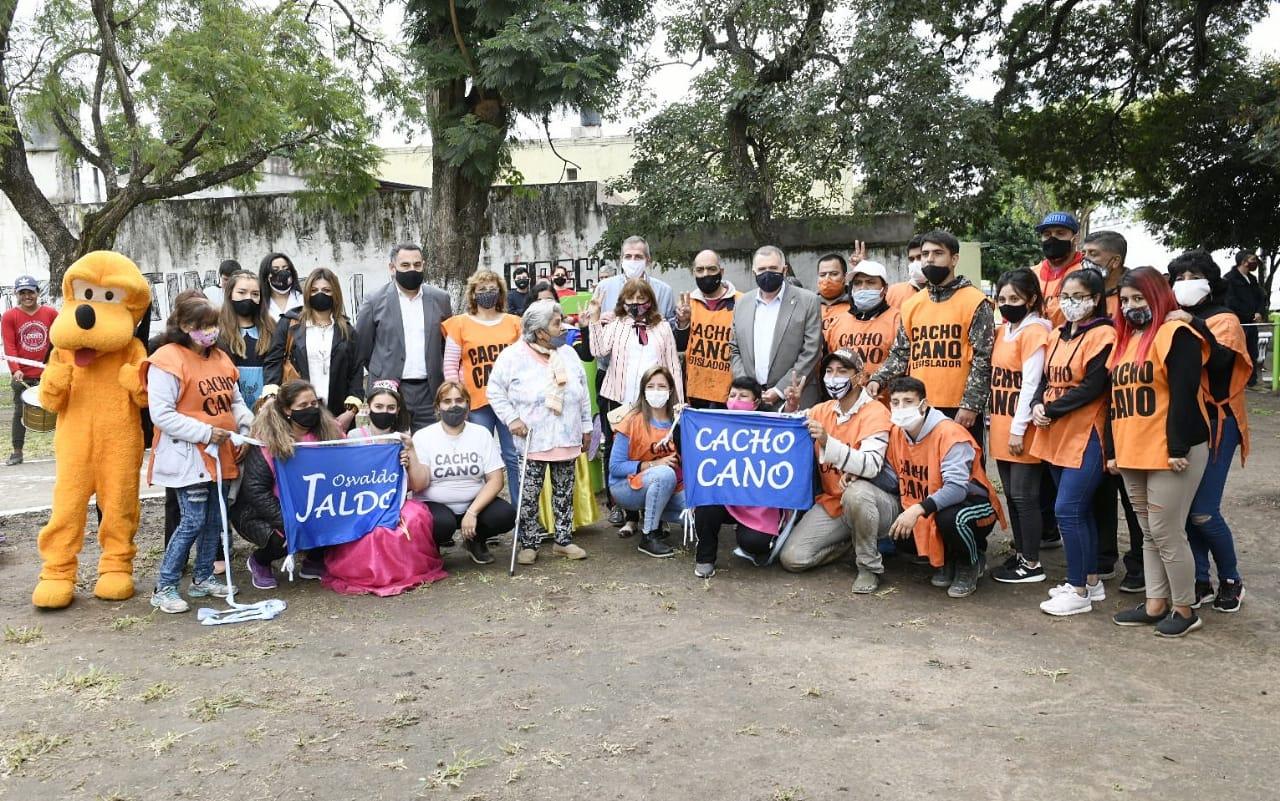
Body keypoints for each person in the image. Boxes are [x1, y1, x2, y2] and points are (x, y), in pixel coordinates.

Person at [1108, 267, 1210, 637]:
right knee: (1148, 532)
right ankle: (1155, 603)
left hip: (1171, 451)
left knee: (1167, 531)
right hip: (1133, 449)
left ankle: (1185, 609)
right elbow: (1114, 401)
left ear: (1158, 296)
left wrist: (1177, 445)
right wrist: (1112, 450)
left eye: (1139, 298)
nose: (1132, 306)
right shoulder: (1125, 341)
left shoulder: (1175, 334)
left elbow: (1184, 394)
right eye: (1126, 300)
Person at [142, 296, 252, 613]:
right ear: (187, 327)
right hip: (188, 456)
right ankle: (164, 587)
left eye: (214, 325)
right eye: (204, 326)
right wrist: (205, 433)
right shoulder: (167, 359)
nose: (211, 332)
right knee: (191, 520)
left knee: (214, 520)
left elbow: (235, 402)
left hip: (223, 453)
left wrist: (245, 429)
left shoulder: (220, 358)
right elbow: (161, 414)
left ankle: (203, 578)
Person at [1026, 270, 1114, 614]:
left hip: (1085, 430)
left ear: (1095, 298)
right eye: (1065, 295)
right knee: (1080, 511)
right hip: (1054, 431)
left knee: (1068, 509)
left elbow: (1094, 386)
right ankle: (1090, 582)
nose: (1070, 303)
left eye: (1078, 296)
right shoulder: (1059, 334)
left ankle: (1077, 592)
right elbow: (1044, 378)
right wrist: (1037, 404)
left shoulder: (1103, 334)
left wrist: (1052, 408)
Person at [1167, 250, 1251, 612]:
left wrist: (1193, 324)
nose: (1185, 284)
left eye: (1193, 276)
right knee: (1185, 511)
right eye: (1179, 278)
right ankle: (1200, 579)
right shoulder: (1172, 318)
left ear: (1210, 280)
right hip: (1188, 423)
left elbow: (1219, 362)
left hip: (1220, 422)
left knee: (1203, 511)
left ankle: (1231, 578)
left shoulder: (1224, 319)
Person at [779, 350, 900, 593]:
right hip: (833, 503)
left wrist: (826, 441)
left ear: (859, 378)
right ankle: (849, 543)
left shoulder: (876, 411)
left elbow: (870, 464)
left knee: (856, 493)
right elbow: (786, 433)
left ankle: (869, 566)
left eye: (842, 371)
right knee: (793, 558)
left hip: (878, 502)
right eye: (829, 371)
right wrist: (791, 408)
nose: (834, 377)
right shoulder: (821, 410)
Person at [487, 299, 593, 564]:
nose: (564, 328)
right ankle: (529, 543)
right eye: (557, 324)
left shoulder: (568, 354)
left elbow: (582, 393)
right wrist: (512, 419)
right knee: (529, 495)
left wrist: (587, 426)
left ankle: (563, 541)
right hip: (532, 439)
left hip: (566, 436)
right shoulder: (513, 356)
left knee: (564, 492)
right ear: (539, 331)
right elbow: (495, 391)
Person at [868, 230, 993, 447]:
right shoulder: (912, 305)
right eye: (925, 254)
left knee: (965, 473)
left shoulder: (975, 302)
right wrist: (877, 379)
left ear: (954, 259)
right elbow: (900, 353)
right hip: (918, 405)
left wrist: (972, 404)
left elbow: (983, 359)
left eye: (937, 253)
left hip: (959, 407)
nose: (929, 259)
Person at [884, 376, 1005, 598]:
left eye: (908, 401)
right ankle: (947, 557)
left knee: (949, 519)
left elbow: (957, 489)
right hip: (932, 505)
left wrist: (917, 509)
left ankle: (971, 562)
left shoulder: (949, 433)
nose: (901, 408)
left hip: (973, 503)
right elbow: (893, 477)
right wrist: (857, 473)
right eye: (896, 402)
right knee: (899, 533)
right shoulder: (897, 433)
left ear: (924, 404)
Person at [325, 380, 446, 595]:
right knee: (373, 532)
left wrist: (410, 457)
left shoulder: (403, 439)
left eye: (390, 408)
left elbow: (418, 484)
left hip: (396, 501)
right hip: (361, 502)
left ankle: (404, 570)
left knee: (414, 520)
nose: (384, 412)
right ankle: (366, 572)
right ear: (368, 407)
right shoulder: (354, 437)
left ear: (398, 410)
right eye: (379, 407)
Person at [1078, 229, 1145, 589]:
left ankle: (1139, 565)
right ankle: (1104, 558)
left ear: (1114, 260)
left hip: (1130, 403)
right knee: (1099, 488)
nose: (1085, 258)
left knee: (1132, 492)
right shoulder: (1090, 295)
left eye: (1091, 253)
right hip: (1095, 406)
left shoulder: (1134, 294)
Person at [233, 380, 344, 588]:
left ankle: (314, 560)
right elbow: (256, 490)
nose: (311, 410)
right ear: (286, 409)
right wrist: (287, 521)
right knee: (284, 536)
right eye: (303, 406)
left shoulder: (329, 433)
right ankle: (260, 561)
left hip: (310, 504)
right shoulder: (267, 441)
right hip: (259, 512)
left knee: (336, 518)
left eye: (314, 404)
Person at [987, 269, 1053, 585]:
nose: (1007, 304)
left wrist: (1018, 427)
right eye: (1002, 298)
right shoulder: (1006, 330)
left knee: (1025, 496)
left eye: (1014, 298)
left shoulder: (1035, 330)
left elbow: (1031, 382)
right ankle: (1022, 554)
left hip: (1020, 426)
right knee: (1012, 495)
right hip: (1000, 423)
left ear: (1031, 299)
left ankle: (1032, 563)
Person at [691, 376, 787, 577]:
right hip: (724, 498)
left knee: (754, 542)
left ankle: (758, 543)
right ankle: (705, 558)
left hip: (757, 504)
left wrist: (793, 406)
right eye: (732, 395)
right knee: (706, 504)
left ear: (756, 403)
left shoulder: (769, 429)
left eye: (743, 396)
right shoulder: (715, 426)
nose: (736, 400)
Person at [413, 381, 517, 566]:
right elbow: (418, 484)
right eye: (447, 401)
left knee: (505, 515)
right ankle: (432, 545)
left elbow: (496, 480)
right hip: (435, 505)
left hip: (473, 502)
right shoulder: (423, 436)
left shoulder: (481, 434)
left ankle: (475, 541)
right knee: (441, 524)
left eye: (459, 400)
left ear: (468, 404)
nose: (453, 406)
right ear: (438, 407)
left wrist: (472, 511)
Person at [442, 270, 523, 502]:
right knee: (479, 457)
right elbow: (450, 365)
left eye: (492, 288)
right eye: (482, 289)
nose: (487, 293)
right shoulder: (459, 324)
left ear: (500, 292)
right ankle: (481, 511)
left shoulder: (514, 323)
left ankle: (521, 513)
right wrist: (456, 400)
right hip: (476, 402)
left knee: (513, 456)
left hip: (510, 403)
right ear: (473, 294)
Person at [355, 243, 453, 429]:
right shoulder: (374, 300)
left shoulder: (441, 299)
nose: (412, 270)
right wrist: (383, 370)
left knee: (428, 450)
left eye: (417, 265)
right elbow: (363, 347)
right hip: (389, 391)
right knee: (392, 449)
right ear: (392, 268)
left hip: (430, 390)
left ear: (424, 265)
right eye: (405, 265)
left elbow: (446, 344)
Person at [265, 268, 363, 427]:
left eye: (326, 290)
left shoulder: (348, 331)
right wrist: (270, 398)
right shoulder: (289, 324)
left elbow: (356, 374)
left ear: (335, 294)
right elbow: (273, 362)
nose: (320, 294)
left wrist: (350, 413)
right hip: (298, 413)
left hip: (336, 416)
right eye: (314, 290)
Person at [729, 244, 823, 410]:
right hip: (752, 402)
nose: (767, 273)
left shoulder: (808, 301)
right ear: (754, 272)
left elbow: (811, 351)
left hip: (795, 400)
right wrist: (750, 389)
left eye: (773, 268)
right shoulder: (742, 303)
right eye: (762, 269)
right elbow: (735, 349)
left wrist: (780, 390)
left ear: (784, 270)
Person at [609, 365, 686, 559]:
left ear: (670, 391)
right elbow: (615, 467)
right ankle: (649, 535)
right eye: (651, 386)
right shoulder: (632, 421)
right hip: (626, 486)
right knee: (664, 474)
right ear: (643, 390)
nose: (656, 391)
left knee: (695, 508)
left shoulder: (679, 421)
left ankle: (658, 520)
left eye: (662, 386)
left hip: (669, 486)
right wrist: (653, 464)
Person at [673, 249, 741, 409]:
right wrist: (683, 323)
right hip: (696, 393)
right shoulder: (687, 303)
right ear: (693, 272)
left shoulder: (741, 301)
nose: (706, 274)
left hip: (730, 394)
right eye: (700, 270)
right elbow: (680, 346)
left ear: (721, 271)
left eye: (711, 269)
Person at [3, 274, 56, 466]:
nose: (27, 296)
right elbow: (9, 346)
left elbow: (58, 341)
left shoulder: (51, 314)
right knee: (20, 412)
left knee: (63, 410)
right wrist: (15, 370)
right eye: (22, 293)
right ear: (17, 295)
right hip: (23, 375)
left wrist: (55, 364)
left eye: (30, 292)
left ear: (37, 293)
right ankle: (17, 452)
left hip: (48, 373)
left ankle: (67, 449)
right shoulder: (10, 316)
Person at [823, 260, 900, 379]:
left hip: (884, 396)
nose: (863, 288)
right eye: (858, 283)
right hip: (845, 396)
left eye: (870, 282)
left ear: (884, 289)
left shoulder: (898, 320)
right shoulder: (837, 323)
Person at [216, 270, 274, 409]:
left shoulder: (272, 328)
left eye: (255, 294)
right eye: (241, 292)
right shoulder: (216, 328)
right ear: (230, 294)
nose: (248, 298)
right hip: (229, 405)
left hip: (266, 406)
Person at [593, 236, 676, 328]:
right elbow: (592, 321)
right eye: (628, 256)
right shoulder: (604, 287)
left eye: (638, 257)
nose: (632, 260)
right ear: (621, 260)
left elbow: (672, 329)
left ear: (648, 260)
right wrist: (598, 320)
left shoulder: (664, 291)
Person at [1034, 212, 1084, 327]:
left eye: (1060, 233)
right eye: (1047, 234)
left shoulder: (1086, 271)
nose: (1052, 238)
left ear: (1075, 239)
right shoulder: (1032, 274)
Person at [1224, 251, 1267, 387]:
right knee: (1236, 353)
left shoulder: (1252, 279)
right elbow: (1230, 302)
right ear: (1243, 262)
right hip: (1238, 323)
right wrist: (1248, 314)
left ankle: (1251, 380)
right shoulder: (1229, 279)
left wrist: (1259, 312)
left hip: (1252, 323)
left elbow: (1261, 297)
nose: (1255, 262)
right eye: (1252, 259)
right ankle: (1234, 381)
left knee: (1252, 352)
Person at [258, 252, 304, 322]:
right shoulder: (259, 303)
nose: (282, 273)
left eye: (286, 269)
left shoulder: (303, 300)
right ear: (266, 275)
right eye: (275, 270)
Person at [816, 253, 852, 338]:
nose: (827, 279)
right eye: (822, 275)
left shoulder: (856, 305)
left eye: (834, 274)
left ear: (845, 277)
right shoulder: (809, 306)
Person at [885, 235, 925, 309]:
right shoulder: (894, 292)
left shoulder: (945, 293)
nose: (915, 262)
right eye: (911, 259)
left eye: (920, 257)